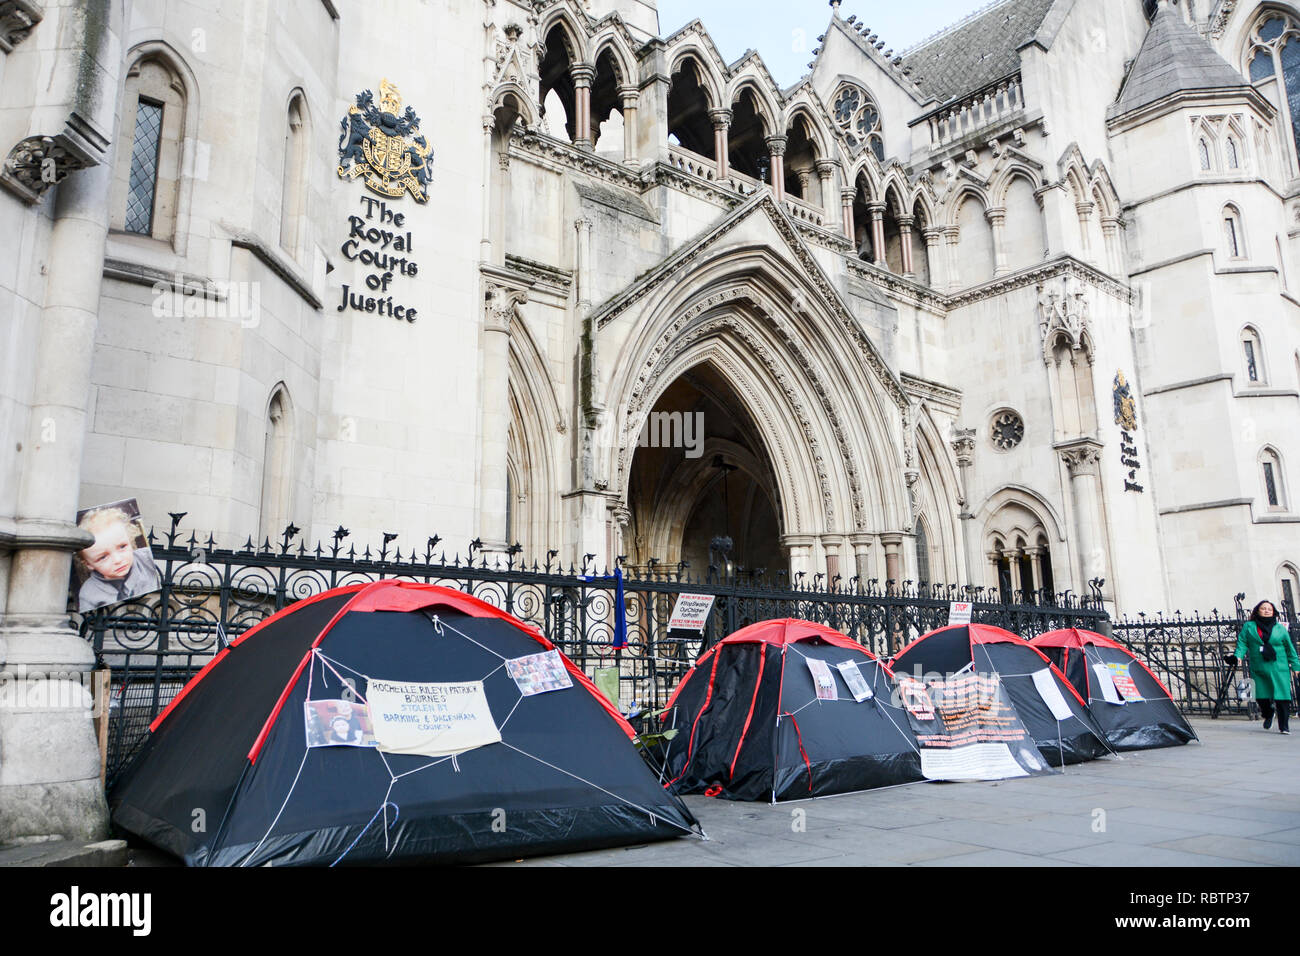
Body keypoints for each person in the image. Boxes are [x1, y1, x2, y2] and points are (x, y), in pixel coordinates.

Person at [1231, 600, 1300, 734]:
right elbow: (1243, 642)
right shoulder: (1249, 626)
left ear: (1273, 612)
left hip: (1279, 666)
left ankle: (1284, 726)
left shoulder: (1280, 628)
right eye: (1263, 608)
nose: (1267, 610)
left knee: (1282, 696)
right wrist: (1238, 656)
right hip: (1259, 665)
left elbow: (1289, 648)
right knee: (1261, 695)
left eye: (1270, 609)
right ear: (1257, 611)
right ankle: (1268, 714)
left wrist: (1296, 666)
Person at [75, 507, 162, 612]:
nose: (118, 560)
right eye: (103, 557)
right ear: (89, 564)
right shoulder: (88, 593)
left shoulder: (145, 559)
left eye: (122, 547)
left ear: (130, 540)